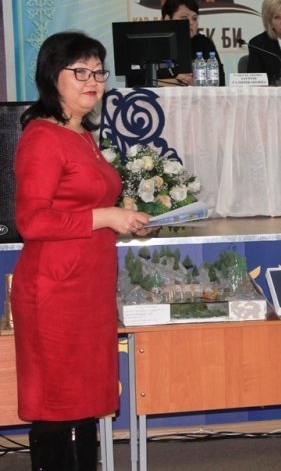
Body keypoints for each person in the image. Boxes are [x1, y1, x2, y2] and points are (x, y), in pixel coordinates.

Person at [12, 31, 152, 469]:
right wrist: (105, 216)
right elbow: (32, 221)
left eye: (98, 72)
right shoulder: (42, 137)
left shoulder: (81, 134)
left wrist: (123, 218)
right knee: (58, 406)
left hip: (87, 289)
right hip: (55, 292)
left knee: (85, 403)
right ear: (53, 76)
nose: (93, 81)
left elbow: (82, 205)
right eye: (80, 72)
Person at [161, 0, 226, 85]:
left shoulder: (204, 44)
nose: (191, 22)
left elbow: (220, 82)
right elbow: (143, 82)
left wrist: (196, 82)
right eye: (184, 18)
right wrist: (175, 82)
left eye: (194, 18)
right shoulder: (154, 45)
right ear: (167, 19)